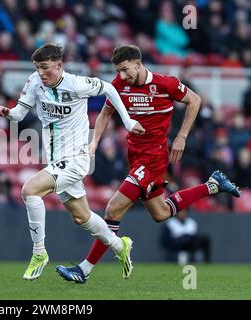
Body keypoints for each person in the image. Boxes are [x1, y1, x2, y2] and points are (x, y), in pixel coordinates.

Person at [56, 44, 241, 283]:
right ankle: (212, 186)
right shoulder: (120, 85)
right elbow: (104, 114)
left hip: (154, 157)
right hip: (135, 156)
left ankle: (84, 270)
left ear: (138, 63)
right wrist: (93, 144)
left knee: (113, 209)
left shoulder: (166, 84)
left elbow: (194, 101)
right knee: (161, 212)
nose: (122, 76)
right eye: (118, 71)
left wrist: (182, 136)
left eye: (125, 70)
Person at [0, 43, 145, 281]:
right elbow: (20, 113)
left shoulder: (77, 84)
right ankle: (120, 246)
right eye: (38, 68)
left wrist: (126, 122)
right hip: (55, 160)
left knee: (29, 190)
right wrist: (8, 113)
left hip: (76, 159)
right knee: (82, 217)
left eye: (45, 67)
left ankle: (39, 253)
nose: (41, 73)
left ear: (59, 65)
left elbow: (110, 89)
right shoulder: (34, 82)